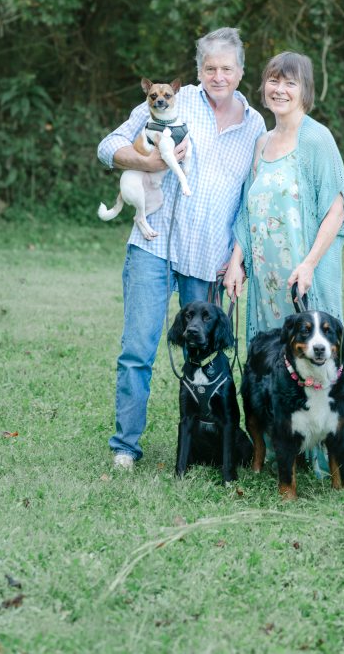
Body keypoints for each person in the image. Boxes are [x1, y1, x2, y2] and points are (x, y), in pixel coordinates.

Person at [98, 27, 265, 469]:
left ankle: (206, 446)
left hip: (209, 259)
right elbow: (108, 146)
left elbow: (251, 200)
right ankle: (125, 447)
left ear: (240, 71)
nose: (218, 76)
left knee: (208, 355)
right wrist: (148, 161)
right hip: (154, 246)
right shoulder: (174, 100)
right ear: (198, 70)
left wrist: (238, 258)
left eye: (226, 68)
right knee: (138, 350)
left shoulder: (255, 125)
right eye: (210, 68)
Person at [224, 51, 344, 474]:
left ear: (305, 90)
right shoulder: (261, 143)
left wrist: (308, 264)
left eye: (290, 82)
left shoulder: (317, 139)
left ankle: (332, 451)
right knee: (276, 361)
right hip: (267, 280)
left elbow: (336, 210)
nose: (280, 89)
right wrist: (236, 261)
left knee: (322, 356)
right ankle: (286, 445)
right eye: (274, 80)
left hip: (306, 276)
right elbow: (247, 211)